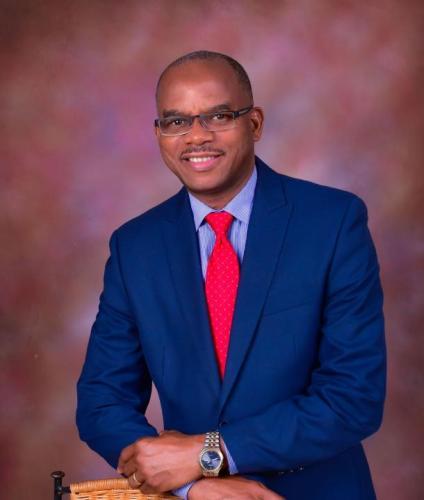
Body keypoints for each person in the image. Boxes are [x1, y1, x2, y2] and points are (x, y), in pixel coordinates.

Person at [76, 50, 386, 500]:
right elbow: (102, 402)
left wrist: (210, 454)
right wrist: (191, 486)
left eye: (218, 116)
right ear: (159, 133)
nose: (196, 136)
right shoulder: (135, 247)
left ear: (254, 123)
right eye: (176, 121)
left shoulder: (333, 222)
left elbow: (353, 397)